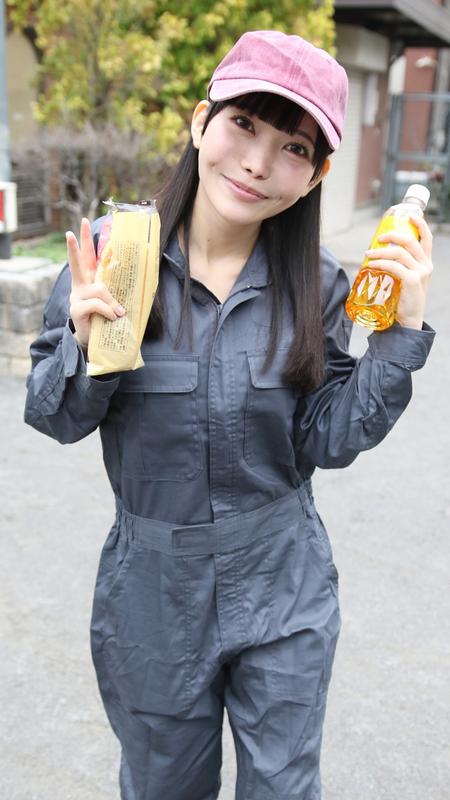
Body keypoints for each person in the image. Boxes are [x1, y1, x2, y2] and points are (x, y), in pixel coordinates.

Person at [24, 29, 435, 800]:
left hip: (283, 582)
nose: (257, 162)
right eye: (243, 124)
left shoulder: (317, 284)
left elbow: (329, 435)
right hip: (153, 593)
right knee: (164, 788)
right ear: (200, 121)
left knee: (283, 788)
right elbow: (56, 416)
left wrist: (400, 335)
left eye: (293, 148)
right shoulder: (117, 254)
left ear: (315, 177)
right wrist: (83, 343)